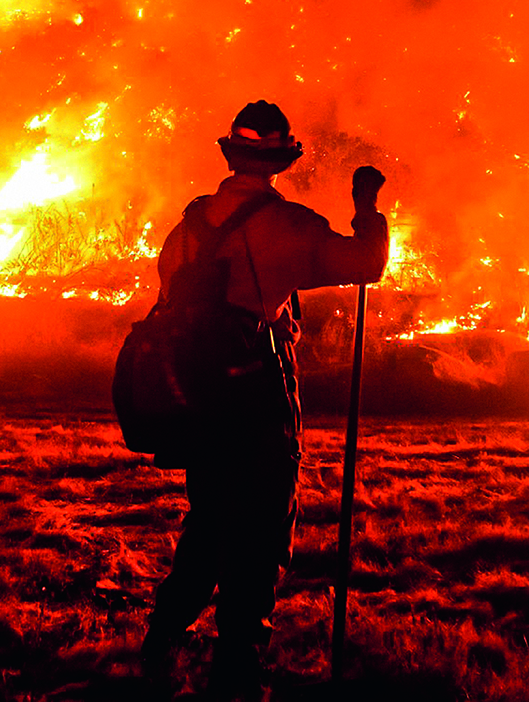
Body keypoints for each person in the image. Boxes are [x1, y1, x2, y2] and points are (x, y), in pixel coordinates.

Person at [140, 100, 388, 697]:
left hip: (197, 399)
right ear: (278, 161)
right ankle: (237, 669)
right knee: (260, 535)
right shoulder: (287, 224)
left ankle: (162, 640)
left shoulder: (191, 223)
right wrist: (367, 209)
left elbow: (167, 283)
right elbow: (366, 264)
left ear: (232, 155)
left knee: (208, 522)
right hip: (256, 398)